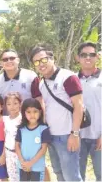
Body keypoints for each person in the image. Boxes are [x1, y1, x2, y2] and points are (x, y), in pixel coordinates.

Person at [30, 46, 83, 181]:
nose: (40, 64)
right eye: (36, 62)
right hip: (51, 136)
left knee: (71, 176)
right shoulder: (42, 83)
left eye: (43, 59)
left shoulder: (68, 77)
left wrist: (74, 134)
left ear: (52, 59)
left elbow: (79, 106)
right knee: (58, 172)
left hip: (67, 135)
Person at [76, 42, 101, 181]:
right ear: (77, 58)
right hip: (77, 137)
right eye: (83, 55)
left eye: (91, 54)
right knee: (78, 175)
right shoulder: (72, 79)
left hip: (99, 136)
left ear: (97, 57)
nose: (88, 57)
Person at [15, 98, 51, 181]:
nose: (32, 115)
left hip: (37, 167)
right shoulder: (21, 129)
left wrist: (30, 163)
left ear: (40, 112)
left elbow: (43, 149)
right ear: (24, 113)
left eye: (35, 111)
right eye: (28, 112)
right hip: (22, 166)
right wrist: (23, 162)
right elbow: (17, 146)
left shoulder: (43, 129)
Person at [3, 92, 23, 182]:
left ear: (20, 104)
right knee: (12, 177)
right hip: (9, 153)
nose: (12, 106)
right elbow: (4, 138)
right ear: (5, 106)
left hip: (21, 154)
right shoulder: (5, 120)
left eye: (15, 103)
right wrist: (3, 154)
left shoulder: (23, 120)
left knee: (23, 177)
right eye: (9, 104)